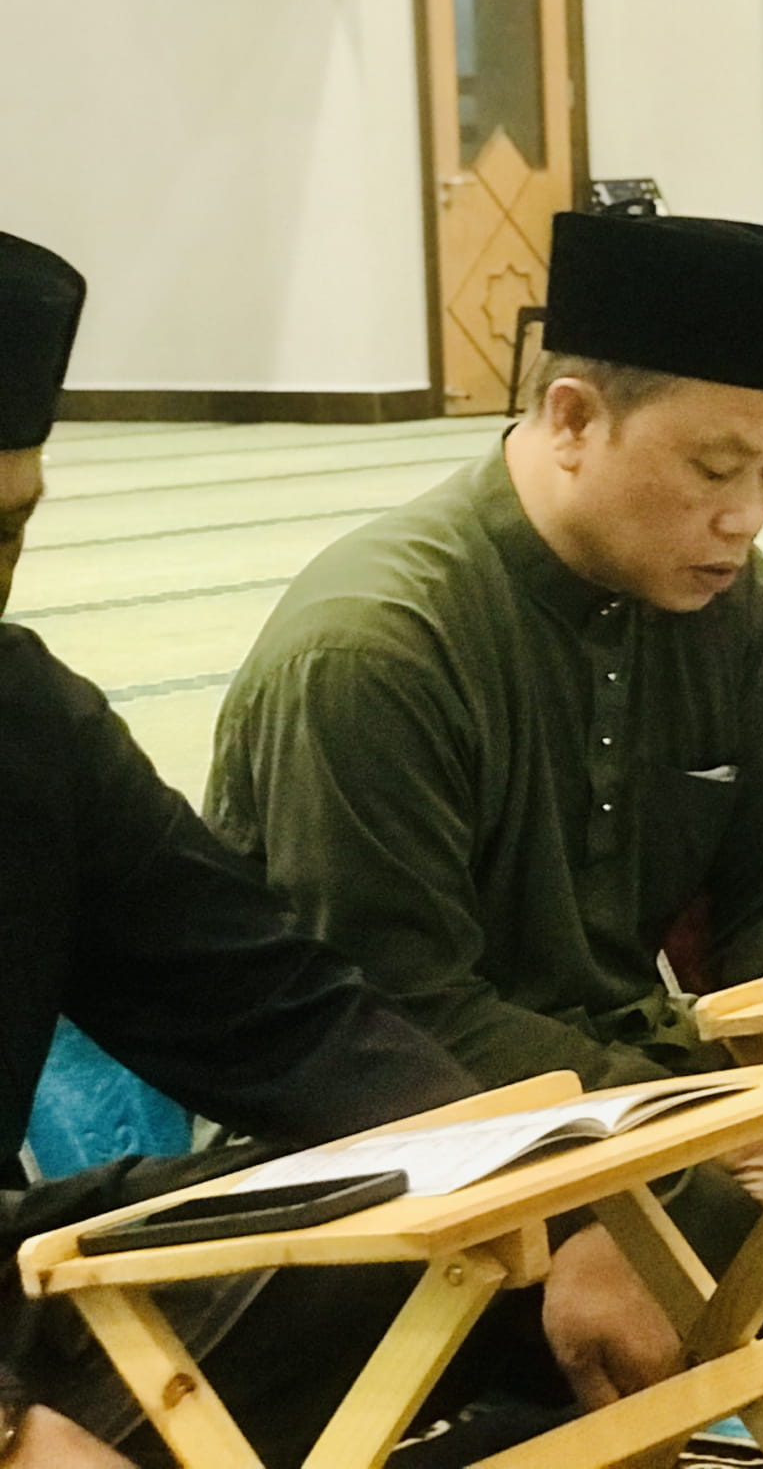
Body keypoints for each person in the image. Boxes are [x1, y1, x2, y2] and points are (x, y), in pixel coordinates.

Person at [0, 234, 678, 1469]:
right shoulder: (371, 640)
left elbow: (280, 1014)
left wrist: (553, 1203)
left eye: (7, 531)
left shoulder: (25, 722)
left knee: (442, 1236)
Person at [206, 211, 763, 1257]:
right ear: (571, 420)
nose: (747, 517)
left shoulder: (725, 597)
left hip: (641, 1079)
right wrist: (696, 1132)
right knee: (710, 1224)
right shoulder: (375, 649)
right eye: (715, 470)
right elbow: (397, 1017)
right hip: (416, 1131)